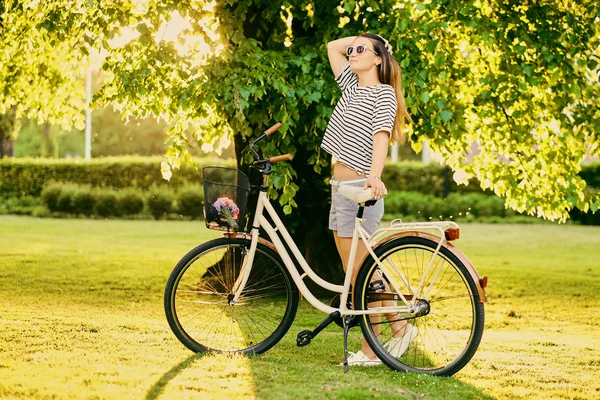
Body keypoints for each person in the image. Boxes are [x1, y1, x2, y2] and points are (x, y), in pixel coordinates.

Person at [321, 33, 415, 366]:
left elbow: (381, 137)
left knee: (362, 274)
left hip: (361, 189)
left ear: (378, 59)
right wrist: (365, 40)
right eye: (354, 49)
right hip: (339, 188)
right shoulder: (351, 86)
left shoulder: (383, 93)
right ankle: (399, 328)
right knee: (359, 271)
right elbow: (334, 46)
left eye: (362, 50)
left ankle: (371, 349)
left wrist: (375, 177)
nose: (352, 52)